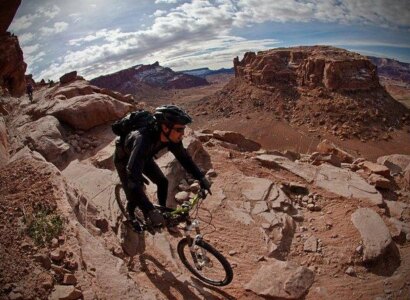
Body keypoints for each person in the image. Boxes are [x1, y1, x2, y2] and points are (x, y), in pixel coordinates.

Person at [114, 105, 211, 230]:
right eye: (179, 129)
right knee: (132, 192)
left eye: (183, 129)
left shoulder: (171, 137)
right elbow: (133, 180)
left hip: (144, 157)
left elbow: (184, 159)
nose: (182, 134)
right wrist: (149, 210)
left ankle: (162, 212)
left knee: (163, 182)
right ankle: (131, 215)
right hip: (124, 159)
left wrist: (201, 178)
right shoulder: (142, 139)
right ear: (165, 127)